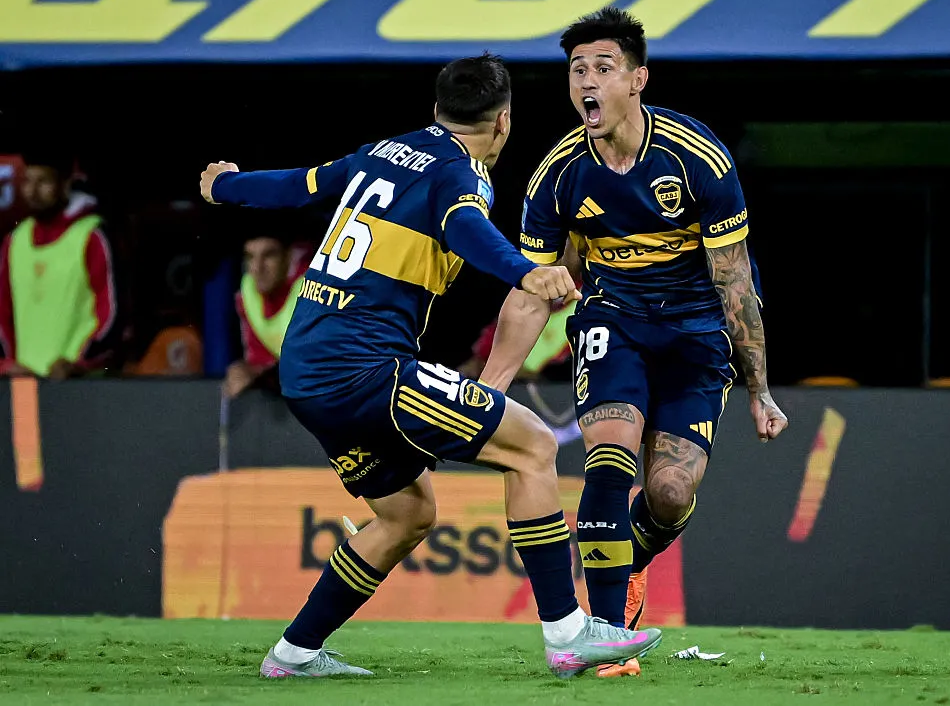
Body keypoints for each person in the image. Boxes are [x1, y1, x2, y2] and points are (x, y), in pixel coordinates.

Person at [199, 54, 662, 680]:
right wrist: (529, 271)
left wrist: (224, 185)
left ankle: (293, 654)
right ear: (502, 122)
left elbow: (298, 185)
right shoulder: (460, 175)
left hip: (305, 370)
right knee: (530, 446)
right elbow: (467, 227)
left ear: (437, 110)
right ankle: (568, 635)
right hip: (362, 369)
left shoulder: (384, 152)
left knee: (407, 514)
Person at [479, 8, 789, 678]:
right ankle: (610, 634)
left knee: (671, 492)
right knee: (610, 457)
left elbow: (735, 281)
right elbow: (533, 289)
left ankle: (632, 560)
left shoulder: (696, 157)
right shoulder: (557, 175)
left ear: (638, 80)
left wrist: (760, 389)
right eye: (576, 69)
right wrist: (491, 388)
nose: (586, 81)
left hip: (698, 331)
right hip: (613, 322)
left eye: (602, 67)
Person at [0, 152, 118, 379]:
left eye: (43, 181)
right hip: (24, 387)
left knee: (76, 416)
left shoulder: (92, 236)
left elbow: (111, 318)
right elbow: (2, 317)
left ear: (65, 184)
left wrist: (80, 365)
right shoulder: (13, 242)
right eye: (26, 181)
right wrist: (7, 364)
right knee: (25, 417)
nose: (32, 191)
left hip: (76, 387)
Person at [224, 223, 311, 398]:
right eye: (250, 257)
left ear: (288, 257)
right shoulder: (247, 295)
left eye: (269, 255)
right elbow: (259, 359)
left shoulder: (312, 289)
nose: (257, 268)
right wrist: (248, 370)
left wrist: (263, 374)